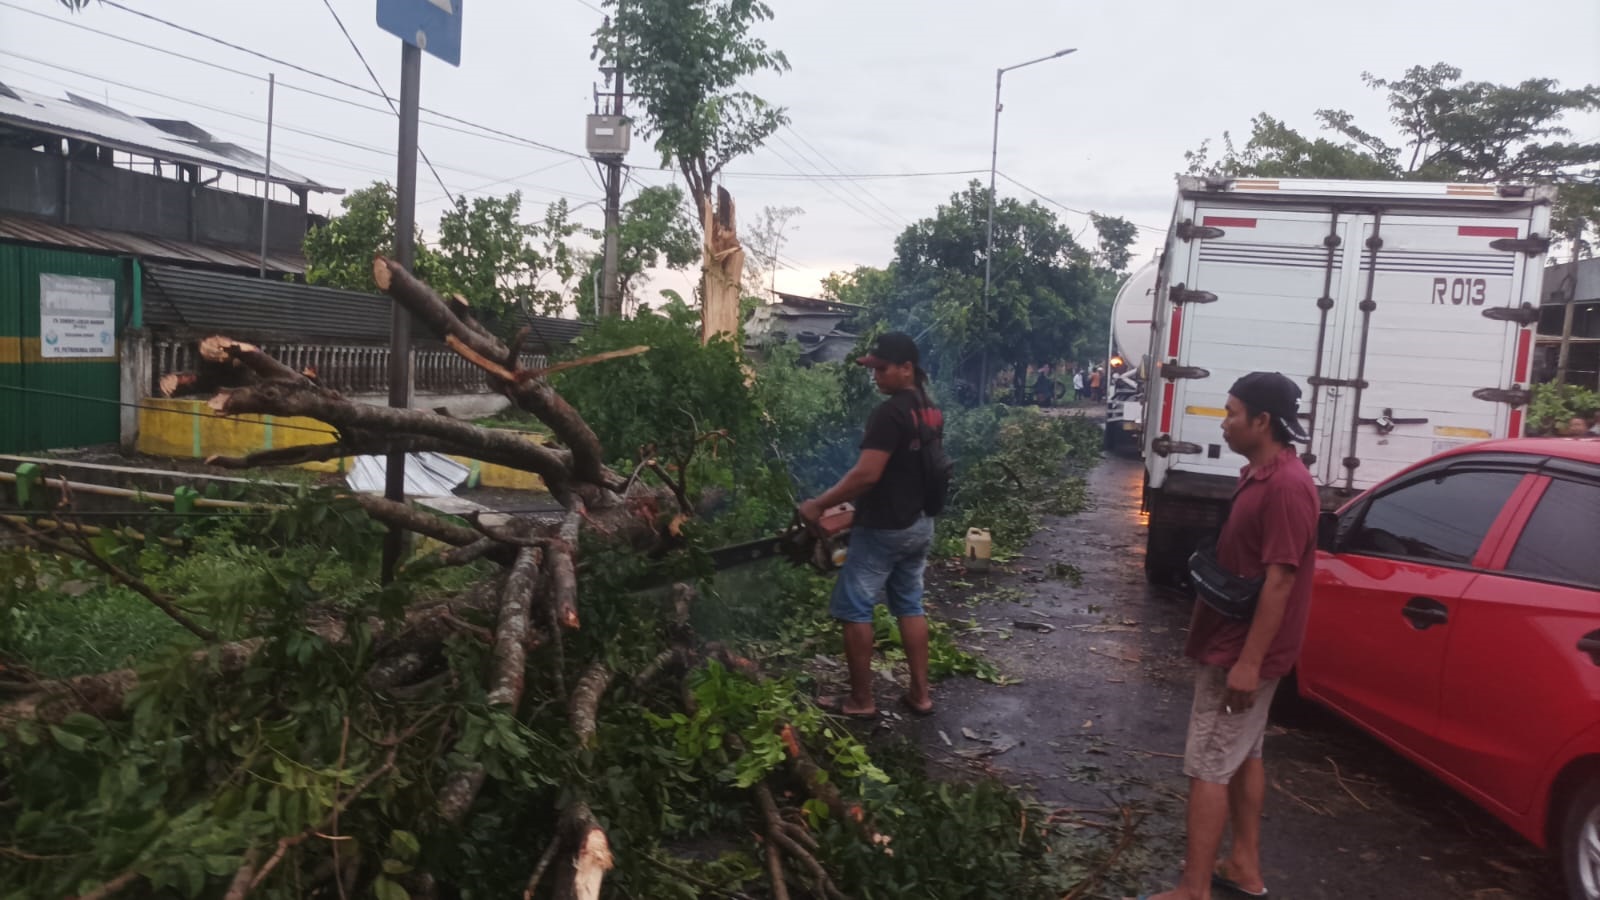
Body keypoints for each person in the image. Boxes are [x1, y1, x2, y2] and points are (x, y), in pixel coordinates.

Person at [1138, 372, 1320, 900]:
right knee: (1245, 756)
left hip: (1240, 653)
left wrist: (1249, 662)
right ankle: (1243, 865)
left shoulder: (1287, 487)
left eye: (1233, 412)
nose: (1226, 421)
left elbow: (1281, 579)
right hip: (1233, 643)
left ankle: (1193, 890)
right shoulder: (1261, 474)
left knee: (1208, 767)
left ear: (1262, 422)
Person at [799, 332, 942, 719]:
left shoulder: (890, 412)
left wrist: (818, 505)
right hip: (919, 524)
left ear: (906, 368)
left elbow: (866, 475)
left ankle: (861, 701)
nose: (875, 376)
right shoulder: (928, 408)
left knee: (854, 607)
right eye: (872, 369)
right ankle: (921, 695)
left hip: (884, 529)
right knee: (909, 604)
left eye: (882, 368)